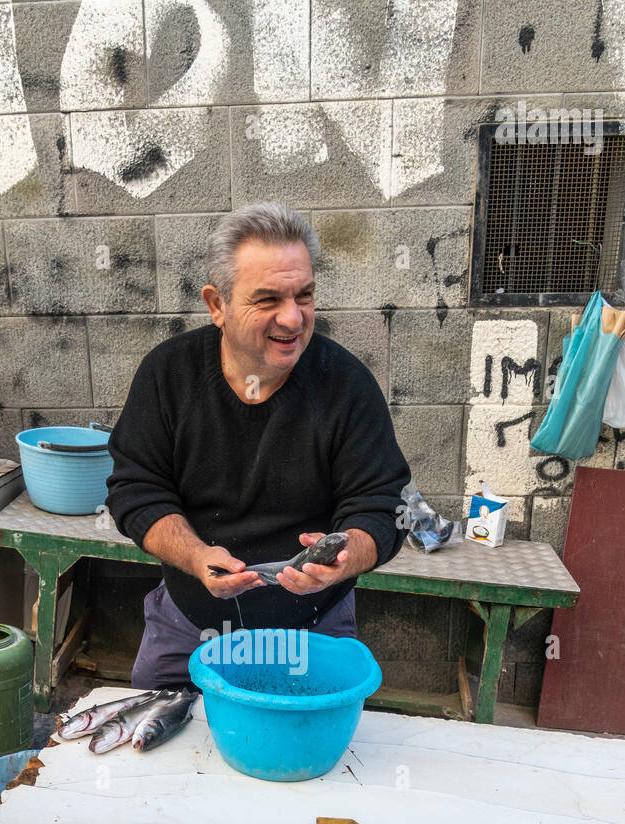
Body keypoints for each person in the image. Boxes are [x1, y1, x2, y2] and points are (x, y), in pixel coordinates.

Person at [106, 202, 411, 689]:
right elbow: (135, 490)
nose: (292, 319)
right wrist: (195, 557)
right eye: (267, 299)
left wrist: (345, 555)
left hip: (313, 626)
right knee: (153, 747)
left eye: (304, 295)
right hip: (189, 621)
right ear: (216, 305)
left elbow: (383, 504)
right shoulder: (169, 375)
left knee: (310, 758)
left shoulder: (347, 384)